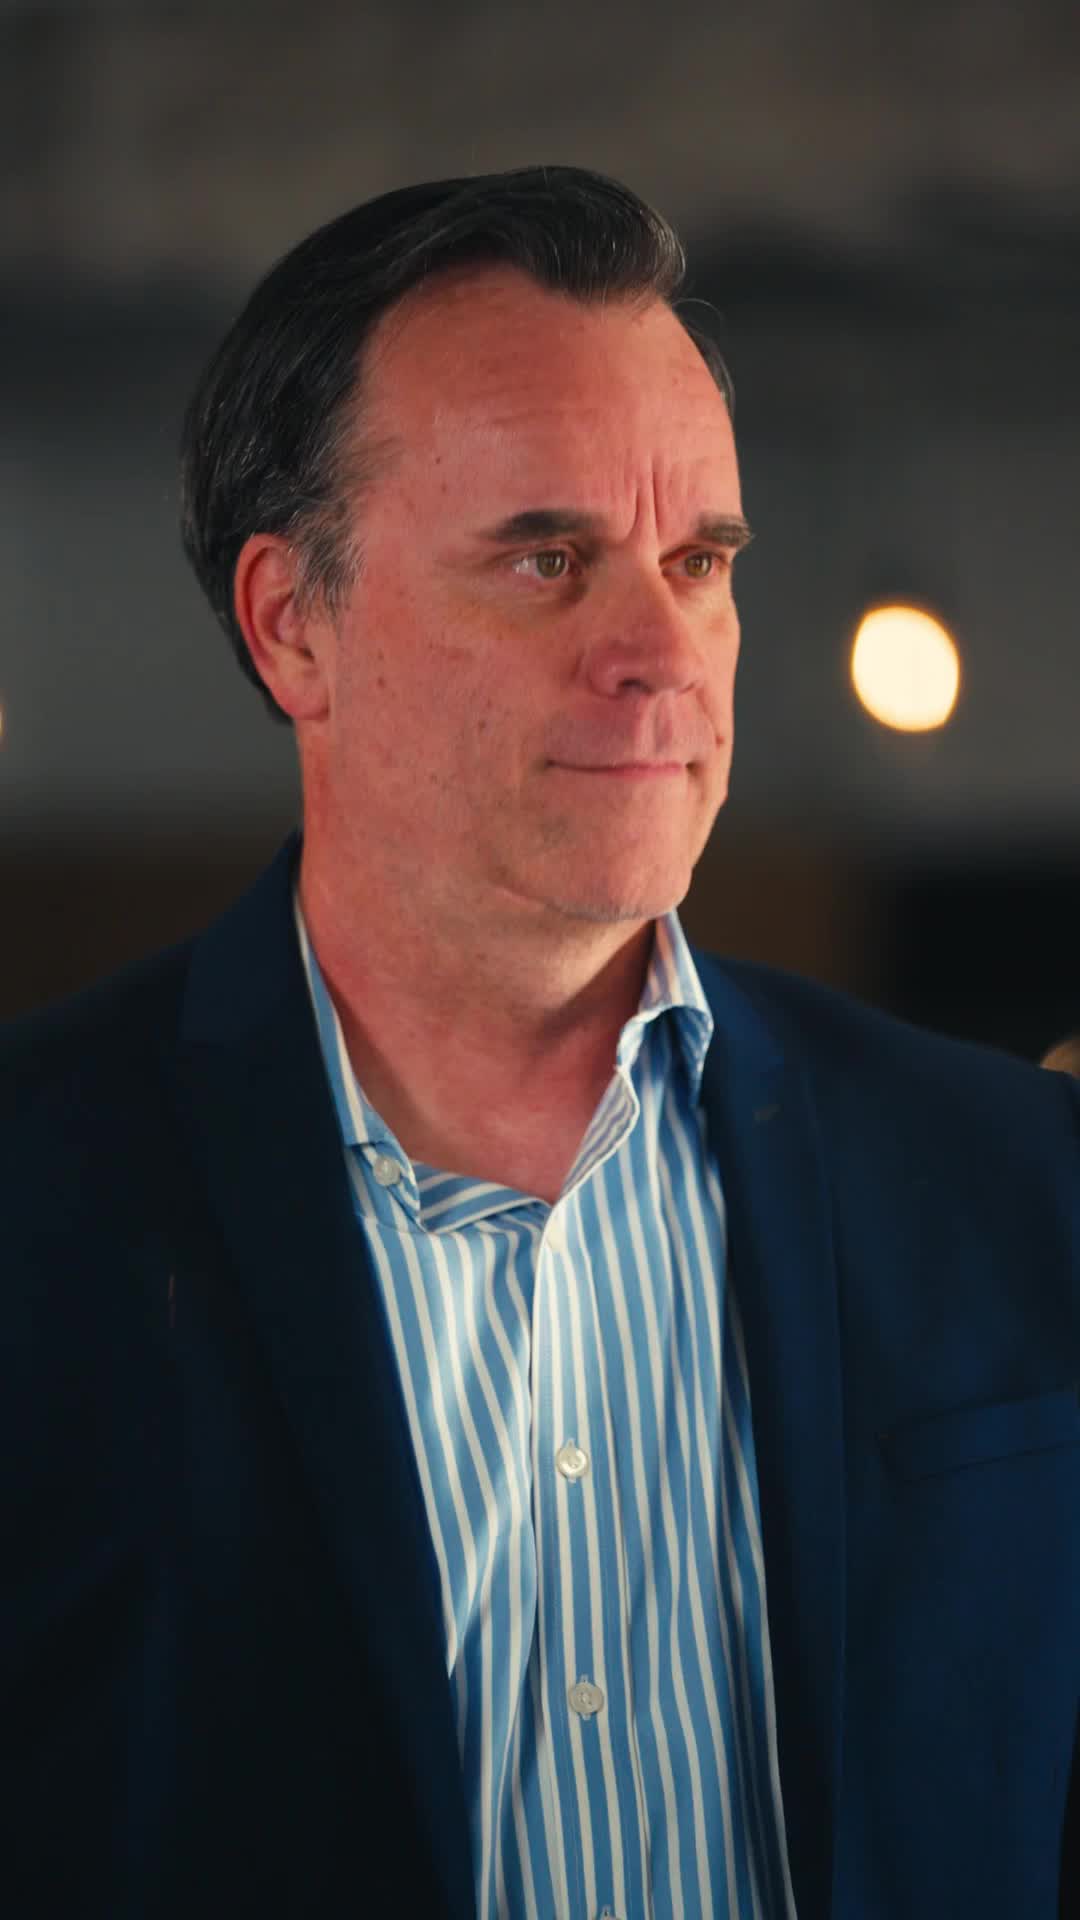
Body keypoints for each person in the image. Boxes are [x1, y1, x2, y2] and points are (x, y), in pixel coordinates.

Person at [3, 166, 1078, 1920]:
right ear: (292, 624)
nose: (664, 653)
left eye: (700, 561)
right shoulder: (36, 1200)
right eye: (547, 559)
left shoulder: (1019, 1184)